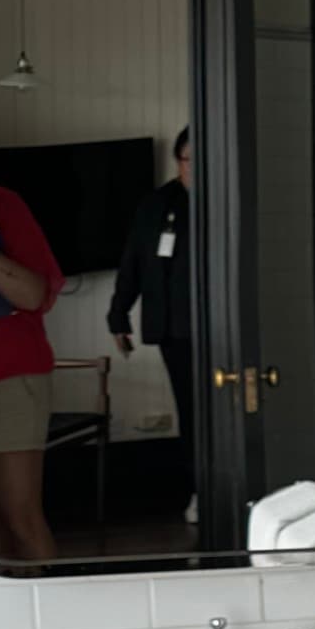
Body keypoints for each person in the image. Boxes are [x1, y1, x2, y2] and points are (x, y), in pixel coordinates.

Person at [0, 102, 64, 565]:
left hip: (5, 376)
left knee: (20, 519)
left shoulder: (2, 205)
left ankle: (49, 605)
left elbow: (36, 294)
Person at [109, 126, 194, 479]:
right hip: (174, 327)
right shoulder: (157, 204)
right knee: (190, 408)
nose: (194, 168)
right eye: (188, 160)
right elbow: (133, 262)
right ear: (178, 162)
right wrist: (118, 316)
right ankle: (199, 486)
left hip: (221, 326)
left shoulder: (226, 197)